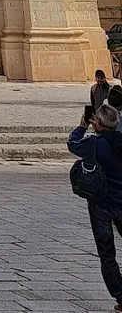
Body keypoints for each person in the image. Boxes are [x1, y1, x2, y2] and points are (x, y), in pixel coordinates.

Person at [69, 101, 122, 309]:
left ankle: (120, 295)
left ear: (97, 124)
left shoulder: (95, 143)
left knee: (107, 253)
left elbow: (72, 144)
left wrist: (81, 127)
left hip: (100, 203)